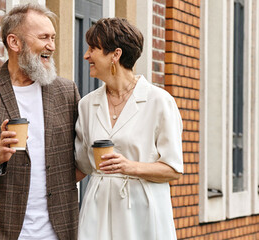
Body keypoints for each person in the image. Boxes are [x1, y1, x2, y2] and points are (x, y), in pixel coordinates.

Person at [0, 3, 80, 240]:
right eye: (43, 37)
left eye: (53, 37)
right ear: (14, 42)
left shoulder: (67, 92)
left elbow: (82, 154)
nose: (51, 45)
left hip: (58, 230)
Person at [74, 18, 183, 239]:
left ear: (116, 54)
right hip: (98, 211)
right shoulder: (87, 105)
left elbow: (173, 169)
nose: (86, 55)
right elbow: (82, 166)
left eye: (93, 49)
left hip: (142, 211)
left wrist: (129, 166)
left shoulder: (159, 101)